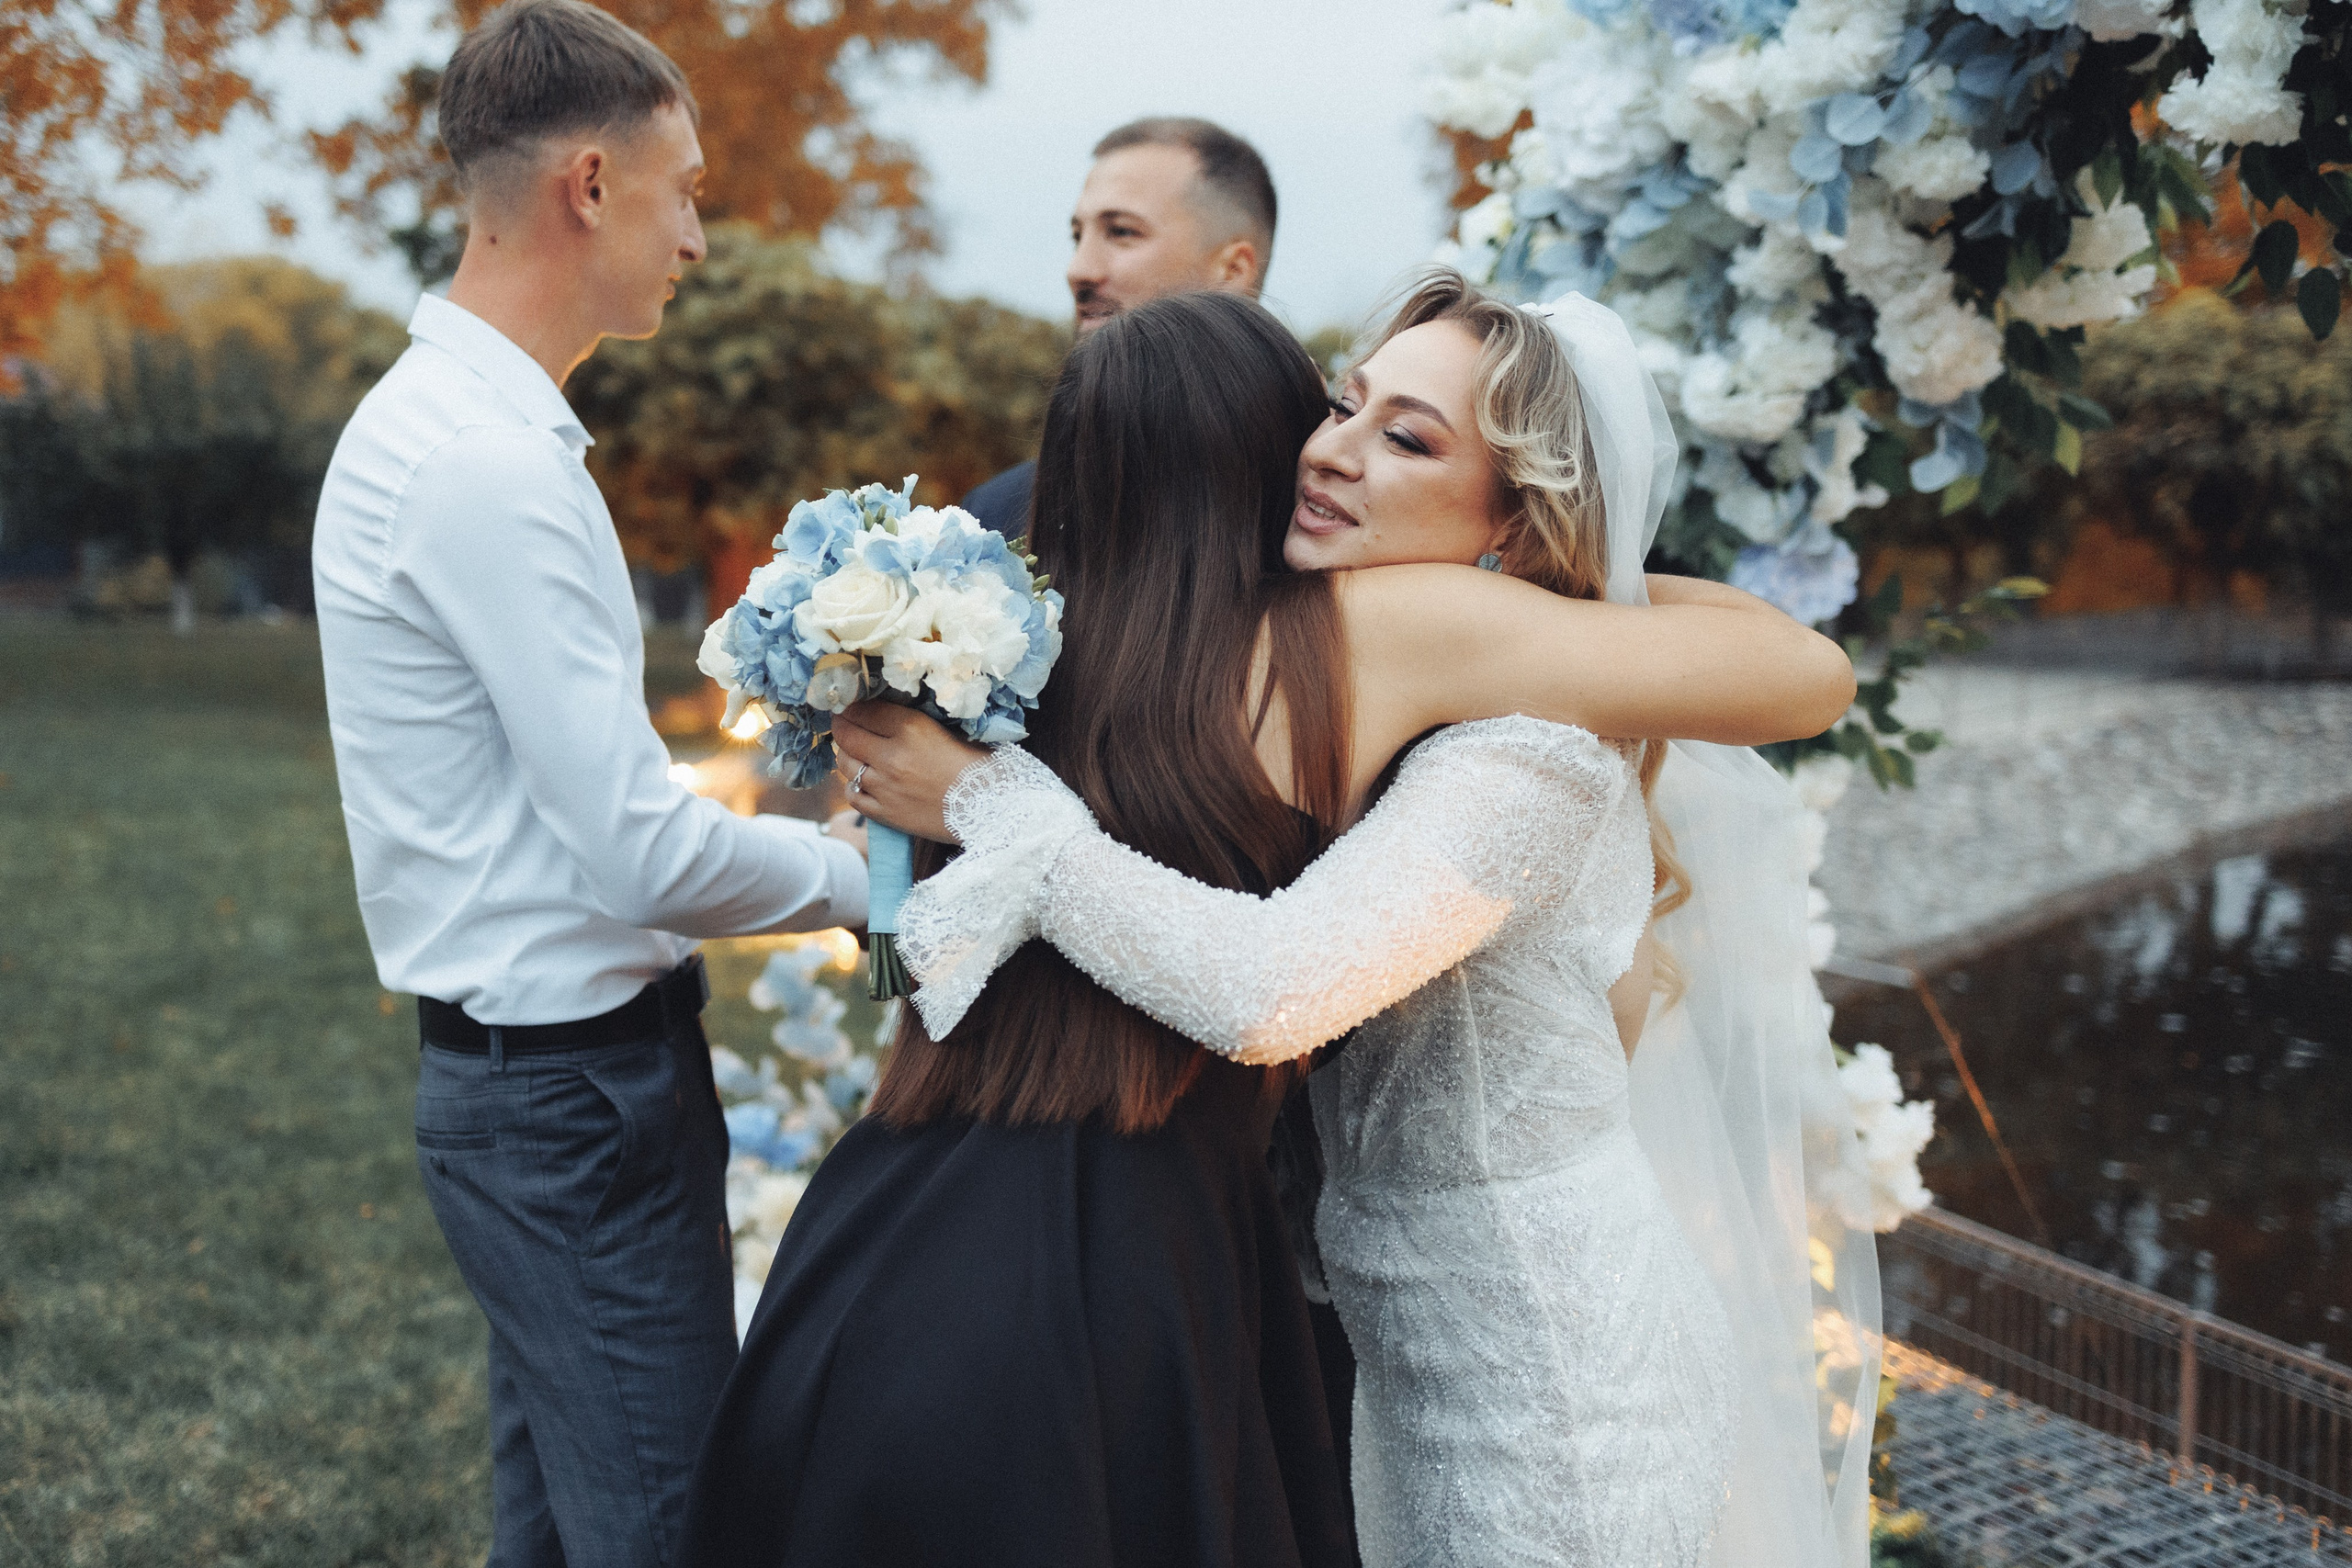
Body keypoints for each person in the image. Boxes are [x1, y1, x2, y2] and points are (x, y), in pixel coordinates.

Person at [683, 289, 1856, 1567]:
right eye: (1342, 405)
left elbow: (960, 961)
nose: (1339, 451)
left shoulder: (1056, 650)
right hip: (1287, 1298)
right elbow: (1789, 665)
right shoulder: (1293, 638)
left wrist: (981, 800)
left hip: (1519, 1349)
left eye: (1407, 437)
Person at [310, 5, 866, 1563]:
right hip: (566, 1098)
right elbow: (641, 852)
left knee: (562, 1531)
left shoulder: (460, 428)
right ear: (591, 184)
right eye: (683, 190)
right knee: (677, 1528)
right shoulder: (481, 460)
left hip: (544, 1088)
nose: (697, 235)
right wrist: (885, 873)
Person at [960, 116, 1278, 536]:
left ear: (1234, 270)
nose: (1079, 269)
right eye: (1078, 236)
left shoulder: (1315, 505)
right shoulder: (995, 517)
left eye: (1122, 232)